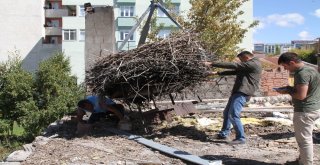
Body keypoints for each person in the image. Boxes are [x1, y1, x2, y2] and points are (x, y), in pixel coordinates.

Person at [204, 51, 262, 144]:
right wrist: (216, 73)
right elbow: (234, 71)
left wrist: (211, 63)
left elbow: (234, 65)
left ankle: (241, 138)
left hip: (243, 92)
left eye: (241, 59)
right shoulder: (248, 66)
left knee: (233, 114)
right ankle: (224, 134)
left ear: (246, 57)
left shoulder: (253, 63)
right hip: (238, 92)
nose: (240, 61)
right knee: (227, 113)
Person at [275, 52, 320, 165]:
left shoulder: (301, 74)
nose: (286, 70)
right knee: (305, 139)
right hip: (314, 108)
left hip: (305, 111)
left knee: (304, 141)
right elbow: (308, 89)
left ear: (292, 62)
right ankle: (302, 160)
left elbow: (301, 96)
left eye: (286, 67)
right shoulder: (311, 70)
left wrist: (286, 91)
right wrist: (290, 88)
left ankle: (306, 163)